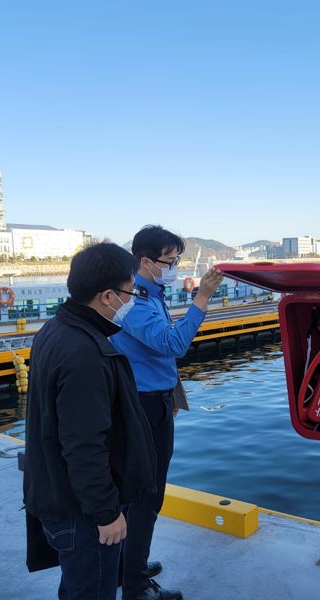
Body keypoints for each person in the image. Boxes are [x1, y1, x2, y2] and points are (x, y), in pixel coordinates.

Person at [23, 242, 157, 599]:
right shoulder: (85, 352)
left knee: (77, 586)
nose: (132, 299)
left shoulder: (56, 329)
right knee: (92, 590)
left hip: (60, 498)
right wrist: (106, 513)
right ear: (108, 296)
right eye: (130, 291)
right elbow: (84, 445)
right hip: (81, 512)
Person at [112, 225, 224, 600]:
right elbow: (173, 344)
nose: (175, 266)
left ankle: (129, 563)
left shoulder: (148, 292)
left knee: (138, 492)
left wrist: (172, 396)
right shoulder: (136, 302)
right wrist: (202, 298)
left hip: (154, 399)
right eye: (170, 261)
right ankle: (135, 585)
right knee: (147, 494)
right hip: (144, 406)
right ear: (146, 261)